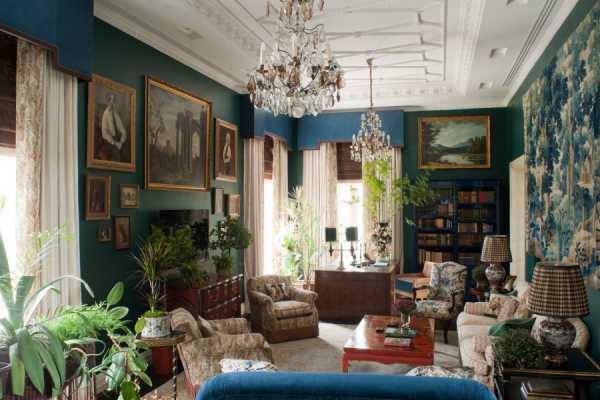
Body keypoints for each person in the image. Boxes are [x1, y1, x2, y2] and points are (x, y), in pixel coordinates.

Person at [101, 93, 127, 161]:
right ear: (107, 101)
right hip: (110, 140)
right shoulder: (105, 114)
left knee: (126, 153)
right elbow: (104, 134)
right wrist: (115, 143)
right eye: (110, 100)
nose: (112, 102)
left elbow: (122, 129)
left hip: (118, 139)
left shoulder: (115, 113)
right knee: (117, 156)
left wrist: (121, 141)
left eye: (113, 100)